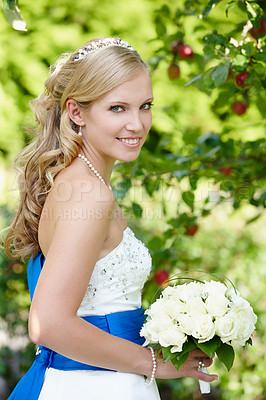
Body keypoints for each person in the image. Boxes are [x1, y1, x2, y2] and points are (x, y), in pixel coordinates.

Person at [4, 37, 218, 399]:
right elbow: (49, 324)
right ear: (76, 112)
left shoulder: (80, 182)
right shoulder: (89, 193)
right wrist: (151, 361)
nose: (137, 124)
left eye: (145, 106)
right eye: (117, 108)